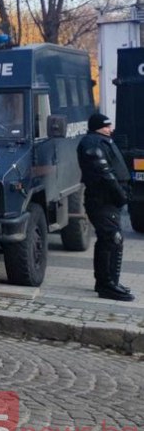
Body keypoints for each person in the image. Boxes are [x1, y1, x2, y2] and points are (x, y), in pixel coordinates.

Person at [78, 114, 134, 302]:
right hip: (102, 199)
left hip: (107, 199)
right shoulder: (92, 143)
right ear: (98, 127)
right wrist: (120, 194)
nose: (110, 128)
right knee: (112, 239)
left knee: (108, 240)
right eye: (107, 126)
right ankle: (108, 284)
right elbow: (104, 172)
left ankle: (107, 282)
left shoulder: (102, 141)